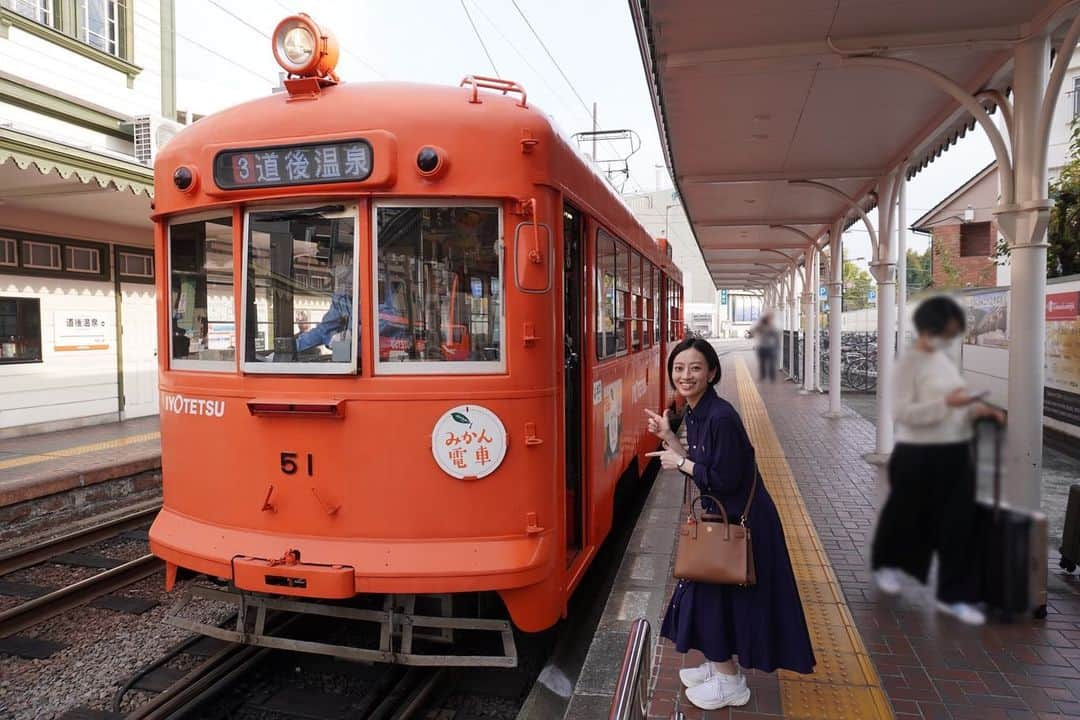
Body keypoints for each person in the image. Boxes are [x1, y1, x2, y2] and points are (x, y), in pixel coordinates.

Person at [644, 338, 815, 711]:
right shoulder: (696, 411)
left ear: (712, 372)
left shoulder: (721, 416)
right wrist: (669, 437)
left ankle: (730, 682)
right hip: (724, 520)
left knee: (712, 599)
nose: (685, 376)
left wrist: (681, 465)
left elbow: (723, 477)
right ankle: (718, 666)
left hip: (743, 526)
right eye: (678, 369)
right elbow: (700, 459)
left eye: (695, 368)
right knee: (716, 599)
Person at [871, 295, 1003, 625]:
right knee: (904, 516)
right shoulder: (909, 365)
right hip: (917, 452)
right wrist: (947, 404)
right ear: (929, 328)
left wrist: (978, 409)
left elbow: (958, 400)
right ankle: (888, 564)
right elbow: (902, 413)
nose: (950, 337)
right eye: (948, 330)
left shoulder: (943, 362)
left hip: (955, 452)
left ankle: (954, 595)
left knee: (960, 524)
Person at [751, 312, 781, 382]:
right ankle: (763, 376)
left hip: (769, 347)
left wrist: (777, 345)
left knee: (771, 363)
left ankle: (771, 377)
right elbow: (753, 331)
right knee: (763, 363)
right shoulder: (760, 326)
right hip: (762, 347)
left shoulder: (772, 326)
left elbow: (776, 336)